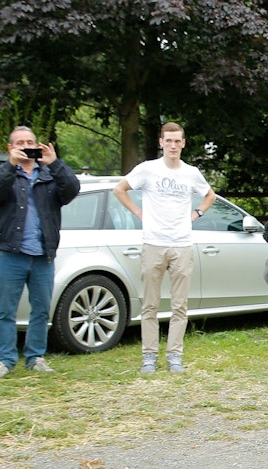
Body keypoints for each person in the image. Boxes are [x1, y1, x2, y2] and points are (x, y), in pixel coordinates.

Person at [114, 122, 215, 374]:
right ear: (161, 143)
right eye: (168, 141)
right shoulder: (148, 169)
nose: (172, 145)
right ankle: (149, 356)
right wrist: (138, 211)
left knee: (179, 306)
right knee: (150, 304)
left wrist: (197, 212)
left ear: (183, 143)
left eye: (177, 141)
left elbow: (210, 195)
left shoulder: (191, 172)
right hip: (154, 244)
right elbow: (120, 189)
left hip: (181, 245)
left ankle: (174, 356)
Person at [0, 126, 80, 378]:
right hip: (10, 254)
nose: (26, 145)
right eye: (20, 142)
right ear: (11, 147)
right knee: (6, 310)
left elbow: (72, 190)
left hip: (42, 256)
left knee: (40, 309)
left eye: (30, 141)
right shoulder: (6, 175)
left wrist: (55, 162)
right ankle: (5, 360)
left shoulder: (49, 175)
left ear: (37, 145)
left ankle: (35, 356)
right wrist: (9, 165)